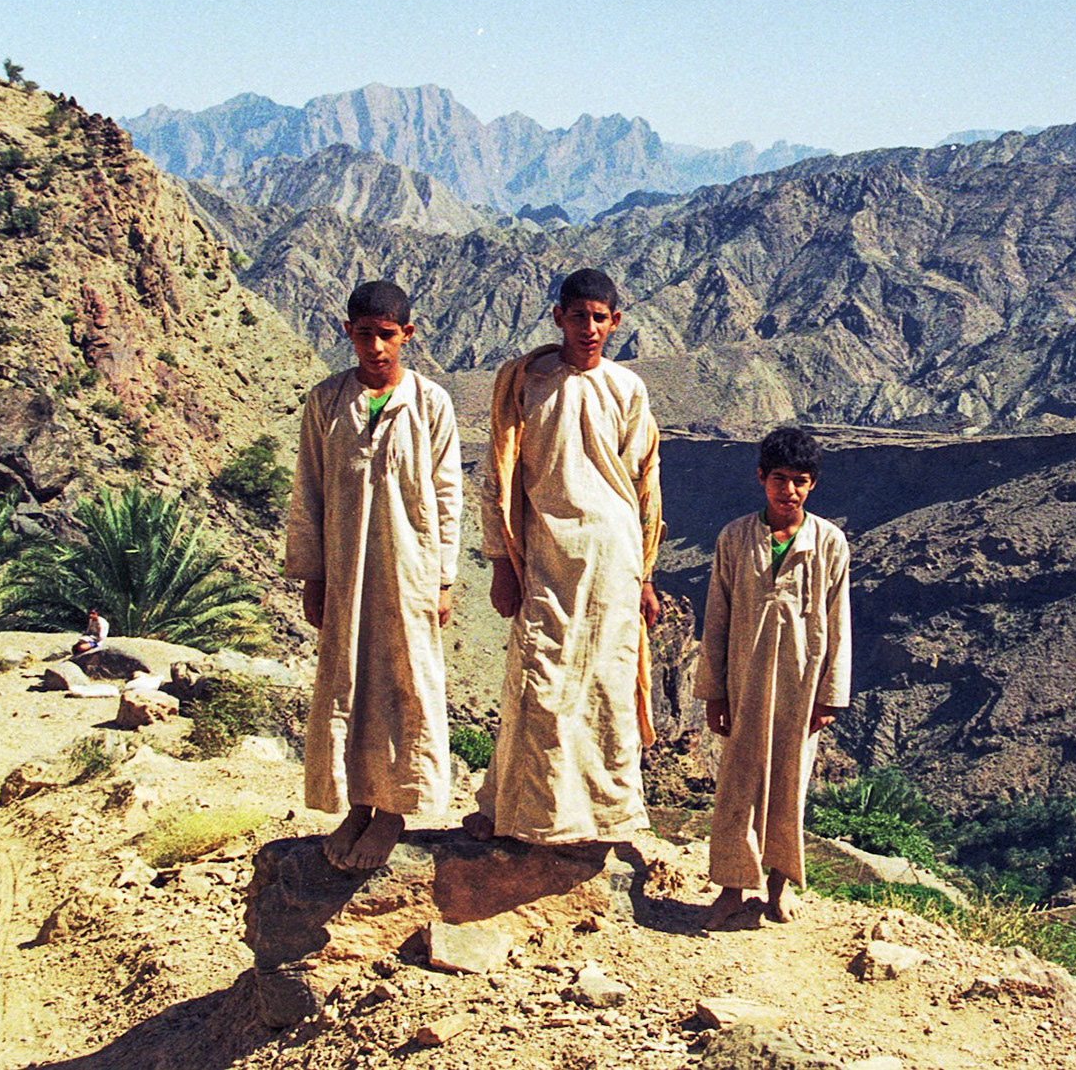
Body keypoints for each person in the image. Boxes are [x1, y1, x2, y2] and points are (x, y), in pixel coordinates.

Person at [467, 267, 664, 845]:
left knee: (604, 686)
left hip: (613, 560)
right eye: (577, 315)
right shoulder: (525, 381)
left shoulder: (628, 390)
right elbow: (498, 474)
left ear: (616, 322)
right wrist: (503, 561)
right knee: (537, 681)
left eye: (600, 317)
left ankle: (604, 819)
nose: (588, 328)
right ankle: (517, 809)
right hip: (547, 556)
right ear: (558, 317)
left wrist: (645, 575)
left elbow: (645, 485)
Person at [285, 280, 462, 871]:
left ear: (407, 335)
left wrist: (443, 578)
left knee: (404, 681)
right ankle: (359, 802)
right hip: (346, 568)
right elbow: (307, 489)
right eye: (365, 334)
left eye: (388, 335)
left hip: (408, 569)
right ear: (348, 334)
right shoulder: (327, 402)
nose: (377, 347)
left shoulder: (431, 403)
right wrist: (313, 573)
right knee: (349, 681)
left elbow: (446, 494)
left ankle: (394, 811)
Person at [697, 425, 851, 929]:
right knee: (738, 783)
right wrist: (713, 692)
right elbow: (716, 618)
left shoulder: (828, 543)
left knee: (790, 783)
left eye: (800, 481)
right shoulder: (735, 538)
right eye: (779, 479)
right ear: (761, 478)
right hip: (744, 680)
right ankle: (730, 888)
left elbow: (838, 619)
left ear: (813, 485)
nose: (789, 491)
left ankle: (779, 887)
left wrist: (831, 695)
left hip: (800, 686)